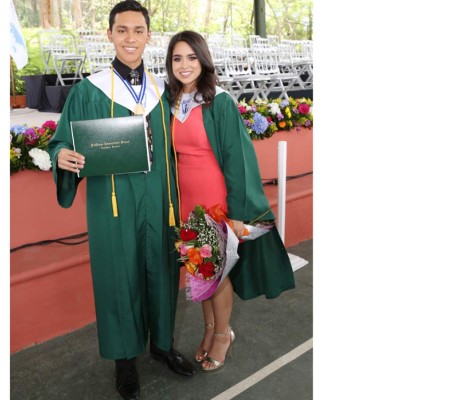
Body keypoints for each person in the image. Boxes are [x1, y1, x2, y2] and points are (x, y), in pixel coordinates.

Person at [47, 2, 195, 399]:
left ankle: (161, 344)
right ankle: (124, 358)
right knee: (118, 275)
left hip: (159, 198)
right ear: (110, 35)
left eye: (138, 30)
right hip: (112, 202)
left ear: (149, 36)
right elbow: (62, 139)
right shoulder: (88, 90)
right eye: (122, 30)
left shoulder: (166, 90)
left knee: (162, 267)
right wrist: (61, 154)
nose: (131, 37)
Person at [165, 31, 296, 372]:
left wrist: (237, 214)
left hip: (214, 202)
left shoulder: (218, 101)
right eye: (177, 59)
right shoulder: (172, 101)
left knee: (217, 275)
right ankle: (209, 328)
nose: (185, 65)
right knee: (200, 272)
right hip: (186, 204)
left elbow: (238, 160)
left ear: (203, 60)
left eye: (191, 58)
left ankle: (223, 333)